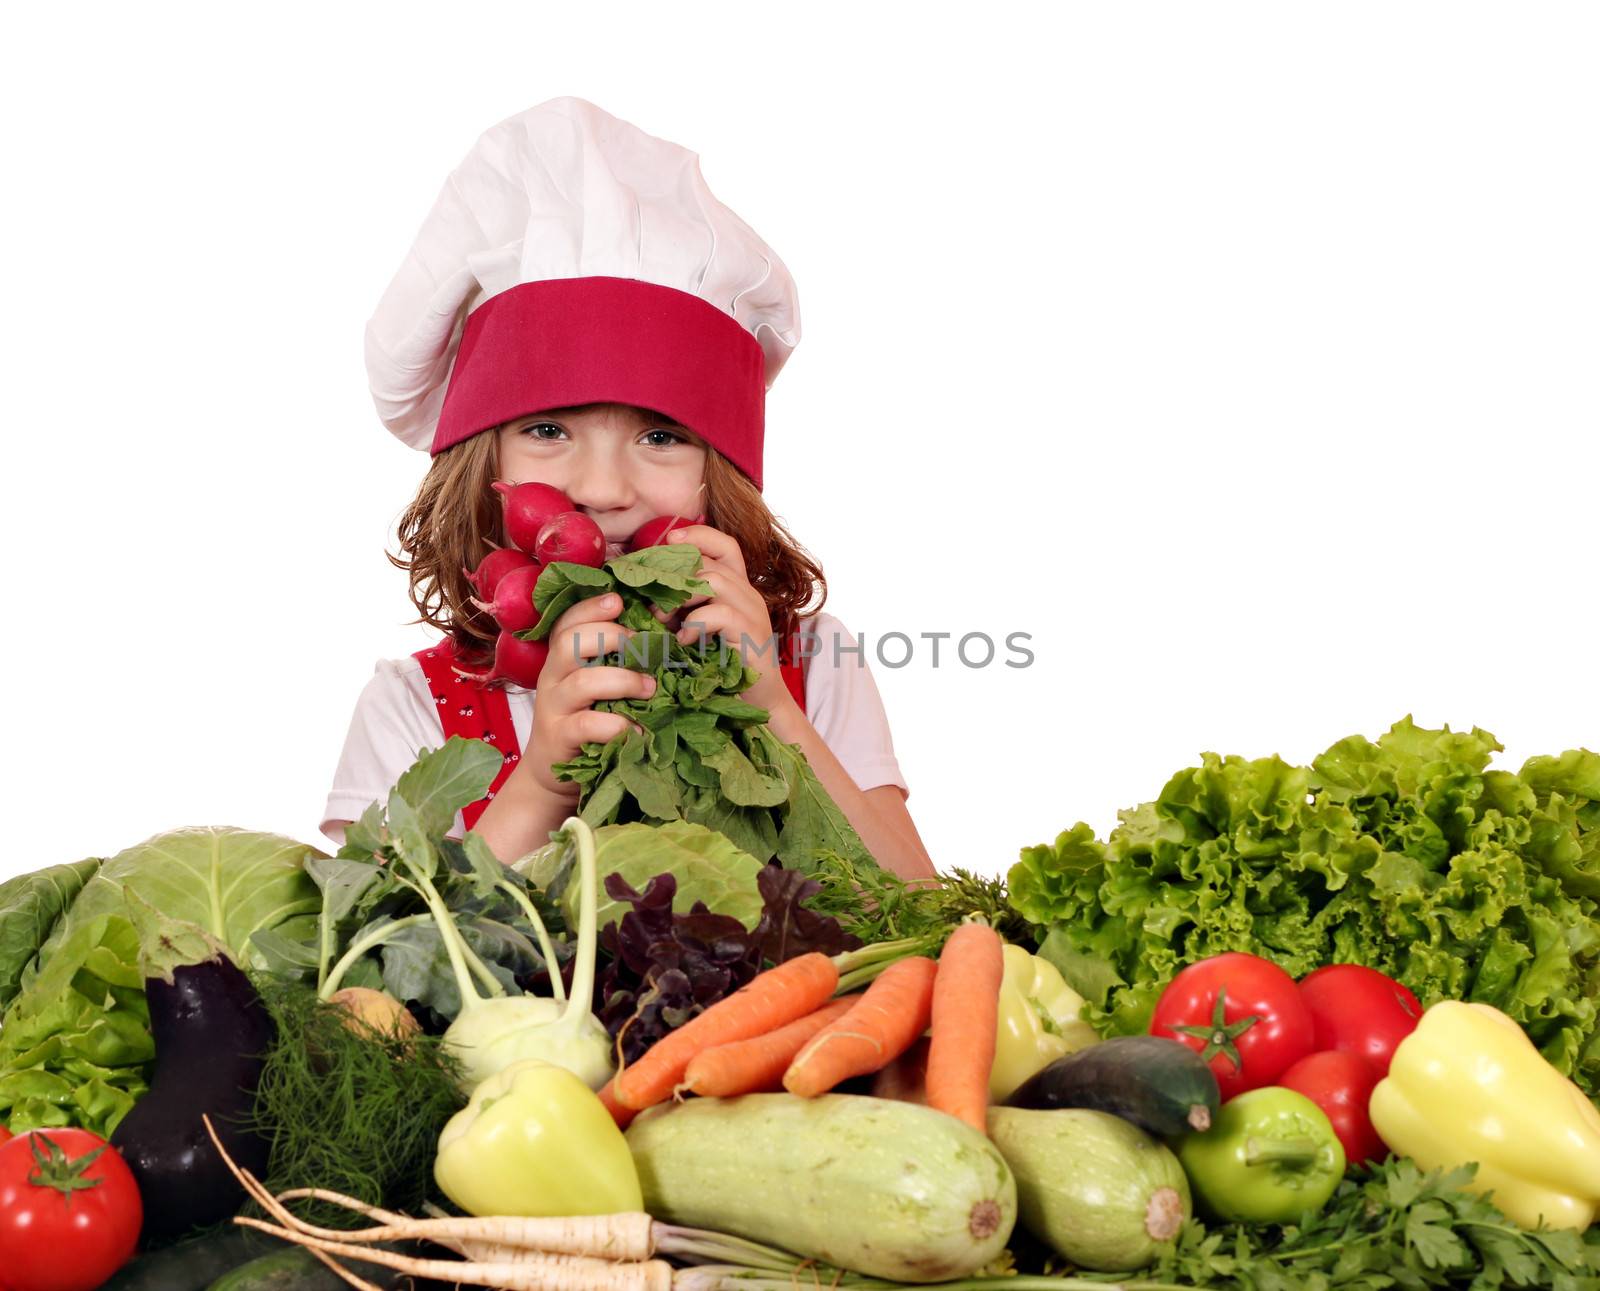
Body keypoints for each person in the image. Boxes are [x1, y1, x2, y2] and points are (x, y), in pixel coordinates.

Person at [322, 98, 935, 882]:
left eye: (660, 437)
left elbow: (925, 917)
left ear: (723, 476)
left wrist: (778, 715)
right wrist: (540, 780)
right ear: (485, 463)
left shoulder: (811, 665)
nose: (603, 489)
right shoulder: (412, 702)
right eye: (548, 430)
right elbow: (377, 979)